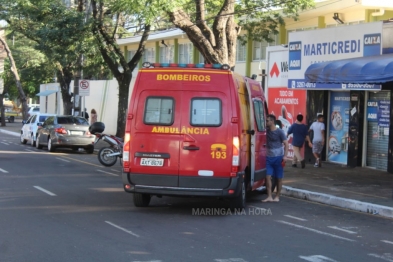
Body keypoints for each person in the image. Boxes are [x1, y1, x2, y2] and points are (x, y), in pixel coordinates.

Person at [262, 114, 289, 203]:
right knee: (268, 176)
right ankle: (269, 196)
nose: (266, 122)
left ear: (272, 121)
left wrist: (285, 156)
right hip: (269, 157)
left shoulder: (280, 132)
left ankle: (277, 196)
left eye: (267, 121)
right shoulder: (266, 131)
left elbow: (286, 143)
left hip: (278, 157)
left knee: (279, 178)